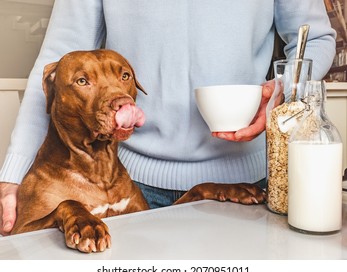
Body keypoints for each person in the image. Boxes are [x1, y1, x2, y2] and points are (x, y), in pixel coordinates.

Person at [0, 0, 336, 235]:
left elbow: (316, 38)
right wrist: (14, 175)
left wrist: (280, 92)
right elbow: (56, 64)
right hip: (129, 183)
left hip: (245, 186)